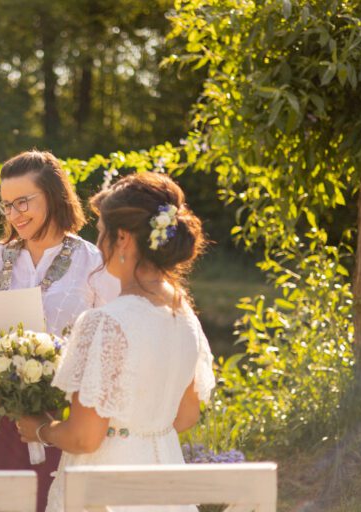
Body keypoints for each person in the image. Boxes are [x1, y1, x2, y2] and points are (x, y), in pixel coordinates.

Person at [17, 172, 216, 512]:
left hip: (106, 488)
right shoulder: (185, 318)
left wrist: (41, 430)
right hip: (164, 486)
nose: (98, 245)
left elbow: (84, 437)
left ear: (122, 238)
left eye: (101, 233)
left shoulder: (106, 322)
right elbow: (185, 416)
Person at [0, 150, 120, 512]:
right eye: (7, 205)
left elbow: (115, 333)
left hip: (59, 415)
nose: (14, 214)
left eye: (23, 201)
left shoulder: (93, 262)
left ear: (53, 195)